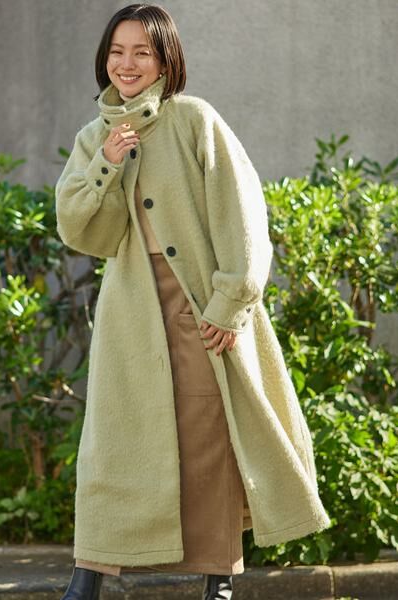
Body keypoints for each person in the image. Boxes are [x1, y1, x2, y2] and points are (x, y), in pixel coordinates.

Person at [55, 3, 331, 599]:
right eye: (117, 52)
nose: (127, 64)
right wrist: (106, 165)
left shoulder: (194, 119)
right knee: (113, 446)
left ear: (165, 60)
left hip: (201, 308)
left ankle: (219, 579)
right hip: (131, 315)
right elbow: (83, 232)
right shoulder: (94, 137)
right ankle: (87, 578)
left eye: (142, 52)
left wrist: (230, 303)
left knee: (209, 441)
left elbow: (244, 215)